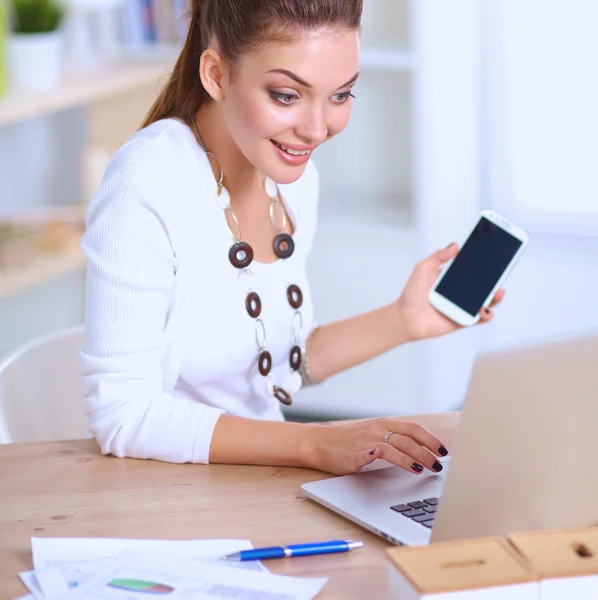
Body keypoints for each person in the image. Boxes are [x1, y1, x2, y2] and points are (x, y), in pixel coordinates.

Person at [81, 0, 503, 477]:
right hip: (165, 491)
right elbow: (122, 414)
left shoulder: (294, 180)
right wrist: (317, 443)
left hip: (260, 480)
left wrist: (404, 320)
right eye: (286, 95)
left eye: (341, 95)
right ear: (217, 74)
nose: (317, 128)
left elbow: (276, 367)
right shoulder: (148, 180)